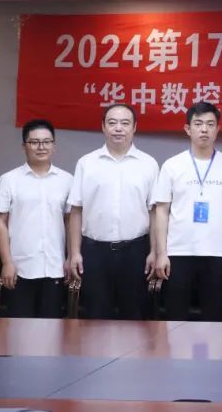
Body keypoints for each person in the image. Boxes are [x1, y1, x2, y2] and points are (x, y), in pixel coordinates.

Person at [152, 101, 222, 321]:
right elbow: (161, 211)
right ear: (188, 129)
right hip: (178, 253)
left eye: (210, 124)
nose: (204, 129)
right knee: (175, 317)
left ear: (217, 129)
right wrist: (161, 253)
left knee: (213, 318)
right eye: (198, 124)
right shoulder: (172, 165)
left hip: (217, 254)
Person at [66, 103, 159, 320]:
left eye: (125, 123)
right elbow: (76, 211)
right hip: (94, 252)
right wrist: (74, 253)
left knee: (135, 317)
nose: (118, 128)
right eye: (112, 122)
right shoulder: (86, 163)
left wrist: (155, 251)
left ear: (134, 127)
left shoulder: (149, 164)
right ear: (103, 127)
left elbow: (154, 212)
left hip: (136, 252)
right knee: (95, 316)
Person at [0, 119, 73, 318]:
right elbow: (0, 222)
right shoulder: (9, 180)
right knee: (19, 328)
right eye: (34, 142)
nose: (41, 147)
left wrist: (70, 257)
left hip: (54, 267)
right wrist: (7, 262)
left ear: (54, 145)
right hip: (20, 268)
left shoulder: (67, 180)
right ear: (24, 146)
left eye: (46, 142)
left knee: (51, 327)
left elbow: (70, 221)